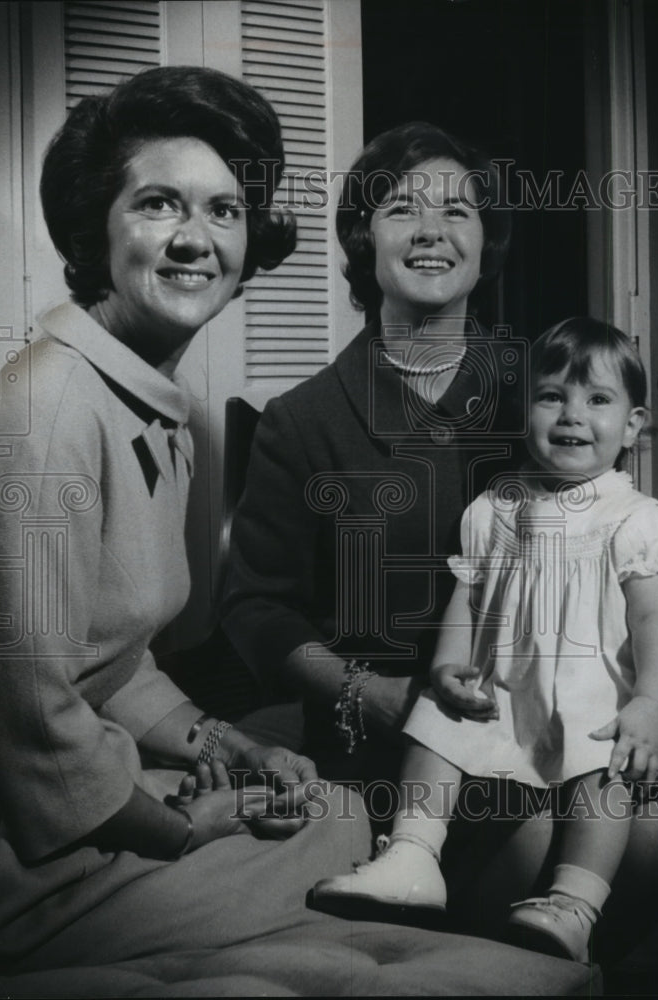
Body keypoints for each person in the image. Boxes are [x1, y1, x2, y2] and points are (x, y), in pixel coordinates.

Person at [0, 65, 370, 973]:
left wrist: (232, 745)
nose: (195, 240)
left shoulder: (144, 401)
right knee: (347, 835)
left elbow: (114, 652)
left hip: (69, 794)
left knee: (336, 813)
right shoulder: (48, 418)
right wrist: (182, 828)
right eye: (157, 205)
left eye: (223, 211)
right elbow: (32, 717)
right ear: (95, 228)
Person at [310, 318, 658, 963]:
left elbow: (657, 626)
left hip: (596, 691)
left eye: (597, 401)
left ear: (633, 426)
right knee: (436, 720)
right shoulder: (497, 508)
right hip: (506, 685)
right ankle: (413, 853)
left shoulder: (636, 521)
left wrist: (651, 706)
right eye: (552, 396)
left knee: (602, 769)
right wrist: (445, 666)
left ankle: (575, 904)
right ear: (527, 411)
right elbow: (468, 595)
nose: (572, 415)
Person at [222, 121, 515, 785]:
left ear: (483, 241)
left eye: (455, 211)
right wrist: (365, 692)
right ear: (364, 238)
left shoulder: (541, 399)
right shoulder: (300, 422)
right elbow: (255, 609)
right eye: (402, 208)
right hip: (380, 737)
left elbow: (621, 545)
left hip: (535, 721)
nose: (430, 231)